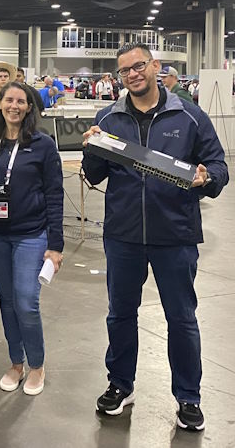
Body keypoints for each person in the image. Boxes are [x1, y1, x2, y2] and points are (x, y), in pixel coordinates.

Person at [82, 43, 228, 431]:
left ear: (155, 67)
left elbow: (218, 165)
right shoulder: (109, 118)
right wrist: (93, 146)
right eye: (124, 70)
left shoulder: (189, 115)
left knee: (181, 319)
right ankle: (120, 384)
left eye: (139, 66)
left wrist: (207, 178)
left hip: (175, 236)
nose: (132, 74)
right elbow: (94, 174)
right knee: (120, 315)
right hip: (124, 235)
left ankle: (188, 397)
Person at [0, 81, 64, 397]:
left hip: (30, 235)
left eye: (21, 101)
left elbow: (54, 195)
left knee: (26, 300)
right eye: (8, 100)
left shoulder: (43, 145)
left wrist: (55, 245)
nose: (14, 106)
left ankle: (36, 365)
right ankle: (16, 363)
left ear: (29, 107)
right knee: (7, 301)